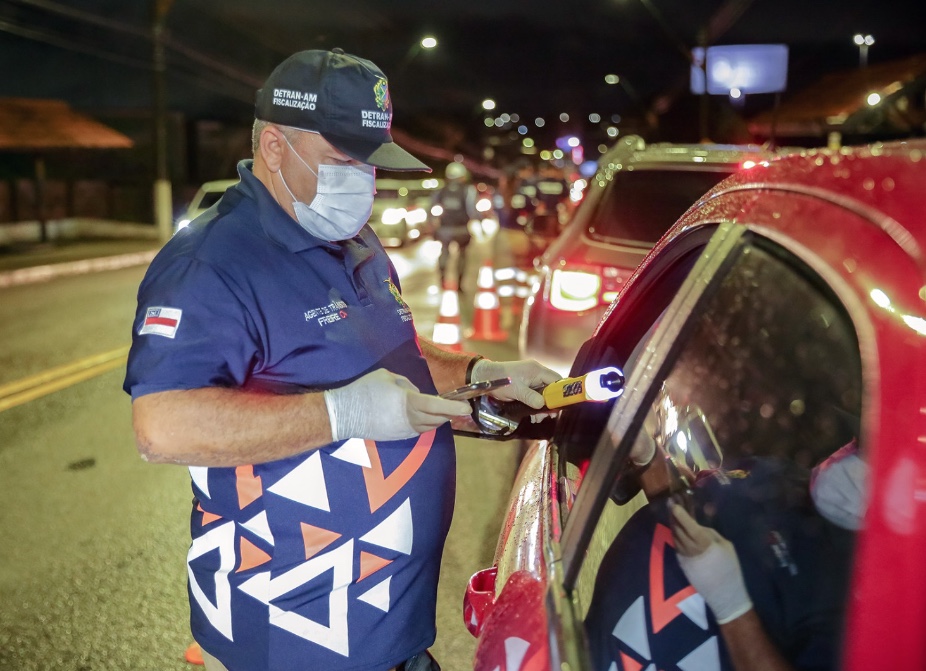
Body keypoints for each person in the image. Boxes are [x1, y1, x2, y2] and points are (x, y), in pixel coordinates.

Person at [123, 48, 560, 671]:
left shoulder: (349, 238)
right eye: (342, 160)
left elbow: (396, 353)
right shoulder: (214, 263)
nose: (363, 179)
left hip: (387, 631)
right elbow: (163, 427)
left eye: (370, 162)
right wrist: (342, 413)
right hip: (294, 635)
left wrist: (480, 379)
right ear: (275, 147)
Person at [585, 423, 863, 671]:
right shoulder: (777, 474)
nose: (849, 455)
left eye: (876, 457)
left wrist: (733, 607)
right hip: (573, 646)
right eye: (860, 441)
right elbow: (686, 514)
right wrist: (648, 458)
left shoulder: (856, 606)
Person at [431, 161, 478, 291]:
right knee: (462, 256)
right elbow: (472, 210)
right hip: (462, 229)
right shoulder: (468, 190)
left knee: (444, 254)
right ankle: (459, 285)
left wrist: (434, 224)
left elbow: (433, 210)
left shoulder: (441, 191)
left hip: (444, 229)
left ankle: (442, 281)